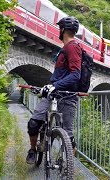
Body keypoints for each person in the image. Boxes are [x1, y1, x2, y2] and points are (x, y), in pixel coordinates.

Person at [26, 16, 82, 164]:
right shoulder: (65, 48)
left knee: (68, 136)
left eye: (60, 28)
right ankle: (33, 149)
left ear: (63, 30)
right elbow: (62, 75)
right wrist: (48, 88)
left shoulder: (73, 46)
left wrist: (55, 86)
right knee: (34, 123)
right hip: (53, 94)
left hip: (66, 96)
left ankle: (67, 166)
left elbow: (76, 74)